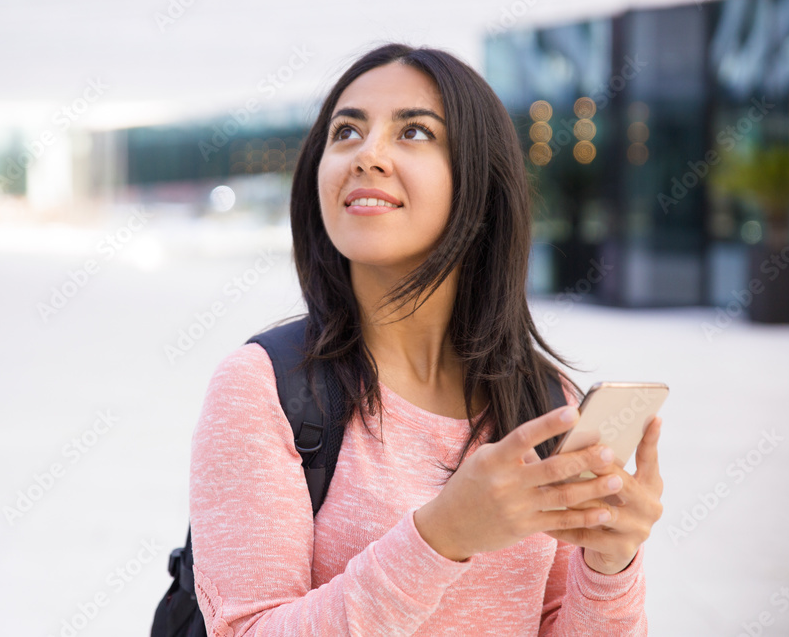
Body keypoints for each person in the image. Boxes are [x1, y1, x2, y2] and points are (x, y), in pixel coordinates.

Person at [188, 42, 664, 636]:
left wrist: (610, 561)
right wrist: (442, 537)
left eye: (414, 132)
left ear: (480, 185)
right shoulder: (264, 389)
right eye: (346, 132)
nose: (367, 155)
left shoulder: (544, 402)